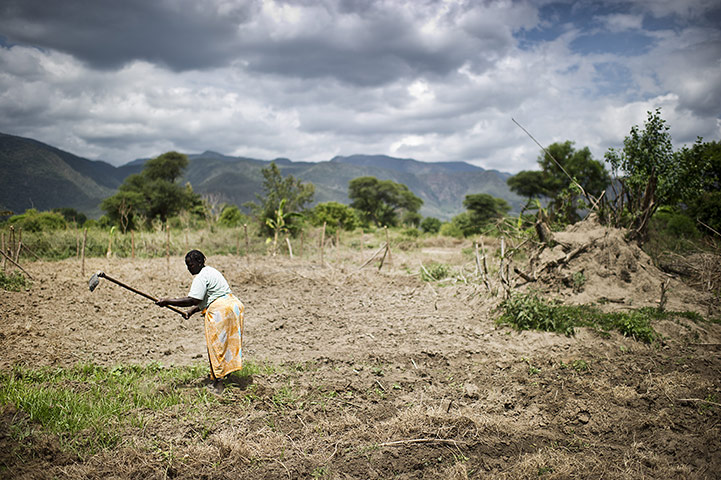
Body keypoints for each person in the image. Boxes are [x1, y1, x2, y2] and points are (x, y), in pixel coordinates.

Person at [156, 249, 244, 393]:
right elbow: (211, 297)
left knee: (216, 346)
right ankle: (228, 376)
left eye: (190, 265)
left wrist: (167, 301)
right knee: (228, 345)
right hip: (234, 307)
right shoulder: (212, 271)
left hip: (220, 312)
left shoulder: (201, 277)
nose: (188, 268)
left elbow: (193, 299)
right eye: (187, 265)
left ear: (199, 262)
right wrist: (191, 312)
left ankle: (218, 384)